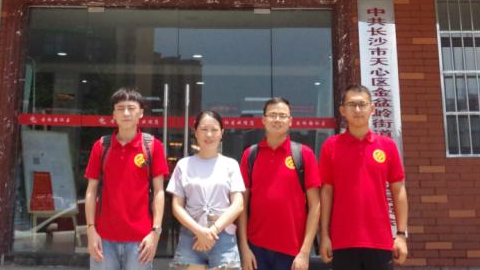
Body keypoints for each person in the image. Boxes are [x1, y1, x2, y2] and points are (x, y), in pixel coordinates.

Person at [319, 85, 408, 270]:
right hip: (342, 241)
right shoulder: (331, 146)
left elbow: (398, 190)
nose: (357, 110)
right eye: (352, 105)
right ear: (343, 110)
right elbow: (326, 192)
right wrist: (325, 235)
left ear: (372, 108)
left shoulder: (387, 146)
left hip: (380, 240)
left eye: (362, 104)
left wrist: (400, 235)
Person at [84, 88, 169, 270]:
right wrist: (90, 230)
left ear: (141, 113)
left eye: (131, 108)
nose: (126, 113)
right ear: (114, 114)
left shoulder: (152, 146)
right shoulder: (101, 146)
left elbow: (159, 192)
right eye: (120, 108)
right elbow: (91, 190)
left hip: (141, 239)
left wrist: (155, 232)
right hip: (104, 238)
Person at [238, 97, 320, 270]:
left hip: (293, 250)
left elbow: (315, 205)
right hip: (256, 248)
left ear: (290, 121)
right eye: (272, 115)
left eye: (282, 116)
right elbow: (242, 205)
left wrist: (305, 252)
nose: (277, 119)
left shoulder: (304, 154)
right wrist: (244, 248)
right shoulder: (250, 155)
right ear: (263, 120)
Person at [168, 110, 246, 270]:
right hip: (191, 236)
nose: (209, 134)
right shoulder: (183, 165)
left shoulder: (231, 165)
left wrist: (212, 231)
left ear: (221, 133)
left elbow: (238, 204)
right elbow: (176, 206)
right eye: (204, 129)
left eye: (214, 130)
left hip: (223, 237)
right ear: (195, 132)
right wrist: (199, 232)